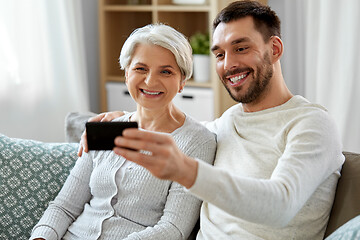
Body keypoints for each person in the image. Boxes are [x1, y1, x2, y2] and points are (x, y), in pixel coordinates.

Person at [78, 1, 345, 239]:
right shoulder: (226, 124)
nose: (229, 64)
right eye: (219, 54)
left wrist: (186, 170)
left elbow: (281, 206)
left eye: (241, 48)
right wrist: (120, 121)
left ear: (274, 49)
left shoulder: (311, 123)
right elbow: (173, 128)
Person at [30, 23, 216, 240]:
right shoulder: (106, 127)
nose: (150, 81)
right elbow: (64, 207)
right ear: (127, 73)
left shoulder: (197, 142)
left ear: (182, 81)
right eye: (140, 68)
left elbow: (174, 228)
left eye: (166, 71)